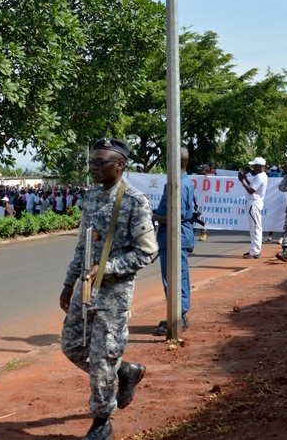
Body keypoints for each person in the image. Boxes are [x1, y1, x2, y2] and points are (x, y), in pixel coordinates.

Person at [59, 138, 157, 440]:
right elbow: (83, 245)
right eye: (93, 162)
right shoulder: (90, 198)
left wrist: (106, 269)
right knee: (72, 345)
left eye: (101, 162)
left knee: (102, 356)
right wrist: (69, 281)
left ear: (120, 165)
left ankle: (102, 421)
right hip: (85, 288)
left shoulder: (134, 201)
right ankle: (125, 370)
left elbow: (147, 251)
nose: (94, 167)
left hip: (114, 293)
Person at [153, 147, 195, 336]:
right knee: (174, 277)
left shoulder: (179, 184)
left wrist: (153, 216)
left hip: (174, 236)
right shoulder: (179, 181)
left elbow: (175, 216)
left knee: (175, 279)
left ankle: (179, 318)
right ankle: (175, 315)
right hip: (171, 237)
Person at [238, 157, 268, 258]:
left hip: (254, 203)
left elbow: (251, 191)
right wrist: (245, 179)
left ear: (260, 166)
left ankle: (255, 252)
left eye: (255, 165)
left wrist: (242, 182)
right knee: (256, 227)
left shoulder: (260, 176)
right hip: (255, 202)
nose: (253, 167)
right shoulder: (261, 175)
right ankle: (255, 250)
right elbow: (253, 187)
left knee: (255, 228)